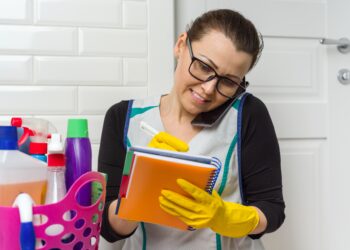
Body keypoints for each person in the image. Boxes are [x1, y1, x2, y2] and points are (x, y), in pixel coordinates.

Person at [98, 9, 285, 250]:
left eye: (228, 81)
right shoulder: (123, 117)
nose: (208, 89)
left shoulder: (248, 114)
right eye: (204, 66)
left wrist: (226, 217)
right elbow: (109, 230)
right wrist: (142, 186)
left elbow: (272, 211)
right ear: (180, 46)